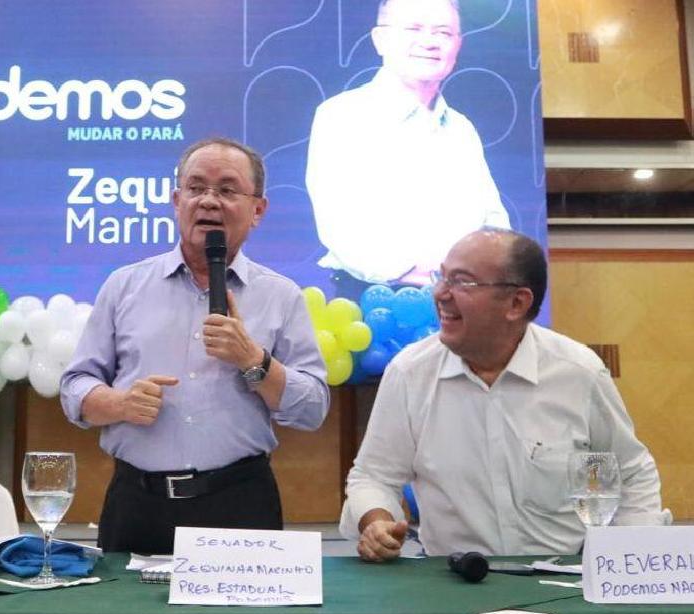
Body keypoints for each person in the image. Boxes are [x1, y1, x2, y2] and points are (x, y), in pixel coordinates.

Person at [61, 137, 330, 554]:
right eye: (196, 187)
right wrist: (118, 404)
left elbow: (312, 407)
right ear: (176, 199)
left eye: (226, 189)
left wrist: (253, 360)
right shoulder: (124, 286)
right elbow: (75, 385)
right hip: (137, 503)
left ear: (258, 210)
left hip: (239, 504)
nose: (208, 201)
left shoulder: (282, 295)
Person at [341, 228, 666, 560]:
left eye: (461, 281)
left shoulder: (578, 372)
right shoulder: (410, 373)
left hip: (564, 584)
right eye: (442, 277)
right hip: (453, 582)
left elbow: (630, 472)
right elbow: (373, 476)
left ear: (517, 302)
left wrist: (632, 560)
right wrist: (376, 522)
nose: (440, 293)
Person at [305, 0, 509, 295]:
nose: (429, 43)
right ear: (380, 39)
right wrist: (437, 277)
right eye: (414, 28)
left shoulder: (461, 128)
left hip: (467, 304)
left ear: (458, 45)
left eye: (443, 32)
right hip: (377, 304)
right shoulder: (342, 116)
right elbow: (343, 229)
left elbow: (495, 225)